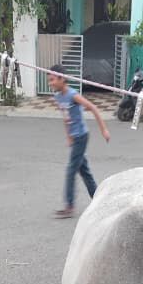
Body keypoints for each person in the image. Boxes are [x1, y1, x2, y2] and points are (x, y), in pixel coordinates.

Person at [48, 64, 110, 218]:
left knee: (71, 170)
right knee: (84, 171)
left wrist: (104, 130)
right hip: (75, 137)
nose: (50, 83)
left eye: (53, 80)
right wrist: (69, 136)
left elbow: (93, 108)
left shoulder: (73, 95)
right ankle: (99, 199)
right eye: (49, 80)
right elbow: (66, 118)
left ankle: (69, 206)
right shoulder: (58, 97)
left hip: (82, 136)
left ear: (62, 79)